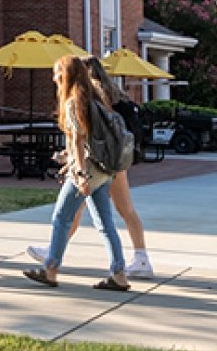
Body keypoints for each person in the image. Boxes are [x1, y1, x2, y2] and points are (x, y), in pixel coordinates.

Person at [26, 56, 154, 279]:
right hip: (107, 168)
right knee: (105, 222)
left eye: (57, 73)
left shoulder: (76, 101)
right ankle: (119, 273)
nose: (54, 78)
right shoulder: (101, 97)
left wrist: (79, 172)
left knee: (62, 217)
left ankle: (50, 268)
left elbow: (78, 139)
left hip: (89, 168)